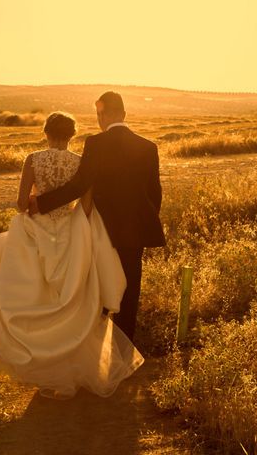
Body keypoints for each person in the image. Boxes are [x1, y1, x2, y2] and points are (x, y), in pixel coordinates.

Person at [0, 111, 143, 399]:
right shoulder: (80, 162)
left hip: (35, 233)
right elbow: (87, 207)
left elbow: (19, 204)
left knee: (34, 297)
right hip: (68, 234)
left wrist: (35, 203)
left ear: (45, 132)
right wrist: (70, 221)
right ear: (72, 135)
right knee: (69, 302)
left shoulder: (33, 159)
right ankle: (72, 369)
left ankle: (43, 365)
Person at [29, 92, 166, 345]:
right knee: (130, 287)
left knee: (101, 283)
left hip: (103, 227)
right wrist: (145, 220)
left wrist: (42, 203)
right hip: (134, 229)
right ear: (124, 114)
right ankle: (125, 349)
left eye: (99, 114)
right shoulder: (148, 147)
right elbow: (155, 192)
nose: (99, 119)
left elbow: (80, 185)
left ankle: (98, 345)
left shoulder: (96, 143)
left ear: (106, 114)